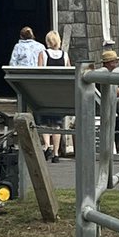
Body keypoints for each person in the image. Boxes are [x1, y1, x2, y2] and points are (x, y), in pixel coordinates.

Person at [39, 30, 70, 162]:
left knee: (44, 122)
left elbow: (38, 71)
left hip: (46, 91)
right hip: (60, 92)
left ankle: (47, 146)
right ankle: (56, 153)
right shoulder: (65, 55)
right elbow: (69, 70)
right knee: (57, 124)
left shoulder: (43, 54)